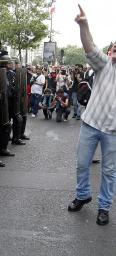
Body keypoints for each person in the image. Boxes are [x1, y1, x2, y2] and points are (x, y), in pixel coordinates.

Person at [68, 5, 116, 226]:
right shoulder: (104, 65)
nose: (114, 52)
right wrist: (84, 24)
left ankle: (104, 206)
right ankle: (82, 195)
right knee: (81, 164)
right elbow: (89, 47)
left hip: (113, 132)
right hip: (90, 124)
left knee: (109, 171)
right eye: (114, 48)